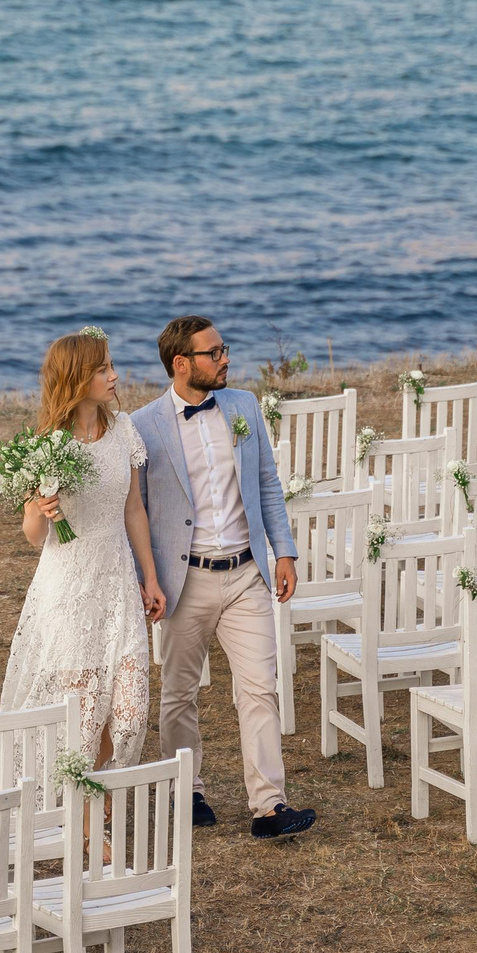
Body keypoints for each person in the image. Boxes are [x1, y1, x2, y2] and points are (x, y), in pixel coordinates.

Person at [130, 315, 316, 840]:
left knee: (260, 689)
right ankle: (185, 792)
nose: (225, 359)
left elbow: (267, 483)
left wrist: (284, 551)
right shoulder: (144, 426)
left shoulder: (244, 407)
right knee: (179, 692)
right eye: (214, 353)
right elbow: (137, 511)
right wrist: (148, 579)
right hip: (183, 579)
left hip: (245, 574)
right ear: (181, 363)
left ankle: (268, 805)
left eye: (224, 349)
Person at [1, 329, 168, 767]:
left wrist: (149, 578)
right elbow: (35, 536)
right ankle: (94, 819)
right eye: (102, 369)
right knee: (87, 718)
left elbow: (134, 510)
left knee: (129, 716)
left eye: (111, 365)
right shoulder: (45, 447)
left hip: (116, 581)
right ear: (77, 380)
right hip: (69, 589)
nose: (114, 376)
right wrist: (39, 507)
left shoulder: (123, 431)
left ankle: (100, 800)